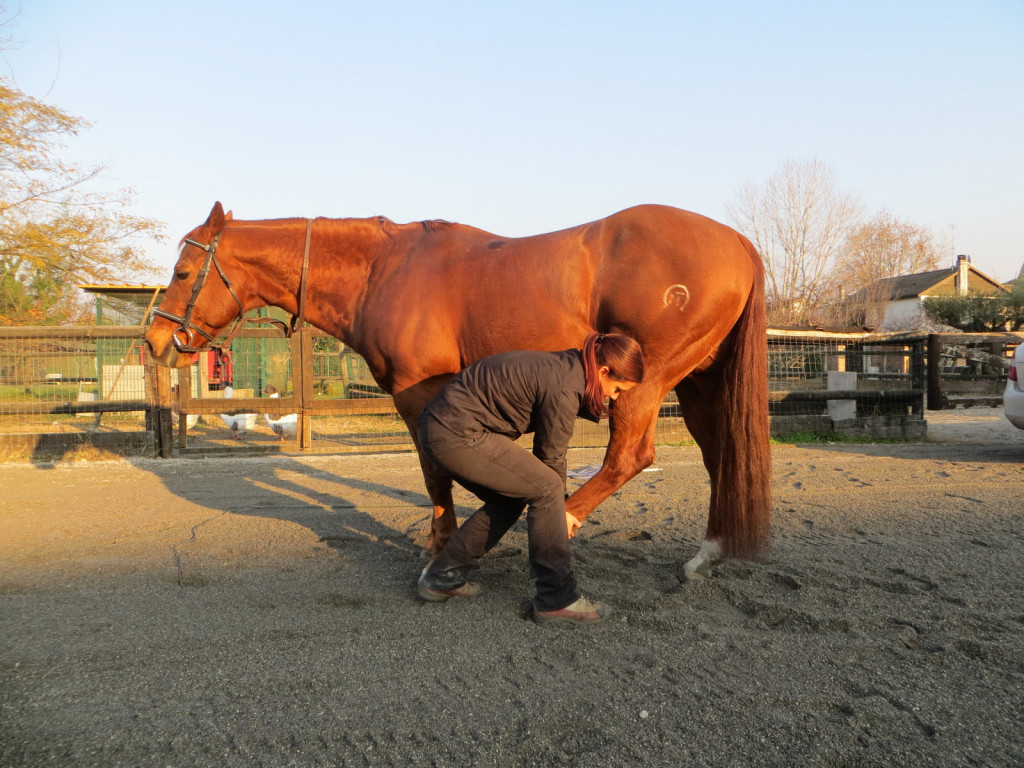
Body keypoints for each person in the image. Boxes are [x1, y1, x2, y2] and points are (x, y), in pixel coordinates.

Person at [416, 332, 644, 624]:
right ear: (603, 371)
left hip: (442, 427)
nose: (614, 398)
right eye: (617, 388)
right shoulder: (565, 386)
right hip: (456, 432)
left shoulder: (566, 368)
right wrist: (563, 510)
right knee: (547, 488)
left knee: (511, 499)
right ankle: (556, 598)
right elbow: (551, 459)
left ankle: (441, 578)